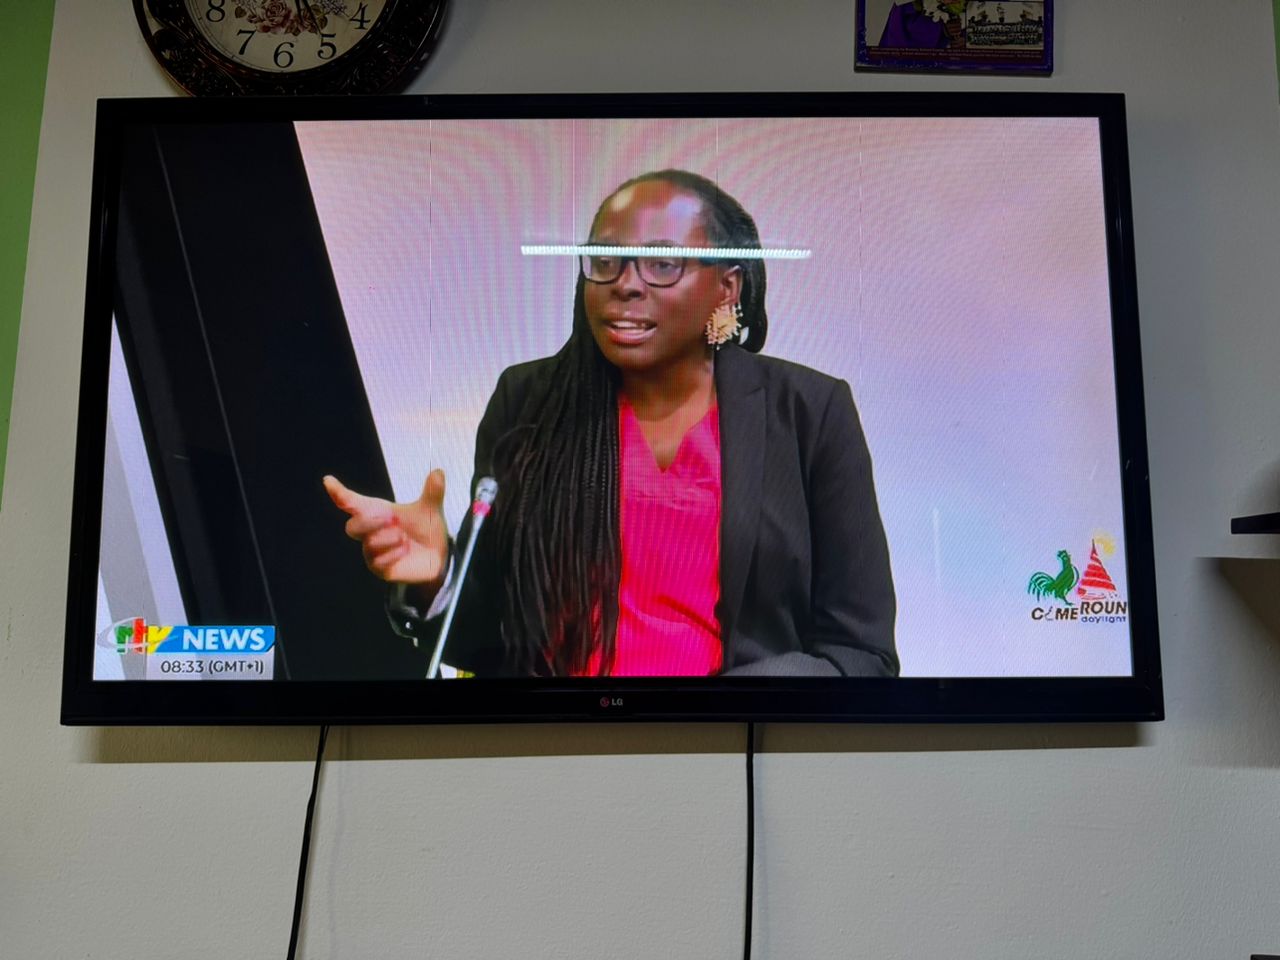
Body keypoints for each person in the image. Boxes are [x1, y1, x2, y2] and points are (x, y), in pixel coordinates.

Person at [324, 169, 897, 678]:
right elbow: (491, 642)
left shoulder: (809, 412)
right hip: (557, 740)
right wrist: (437, 577)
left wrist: (731, 707)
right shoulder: (528, 403)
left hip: (733, 740)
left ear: (727, 287)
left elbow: (859, 653)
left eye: (662, 264)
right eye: (605, 260)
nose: (626, 282)